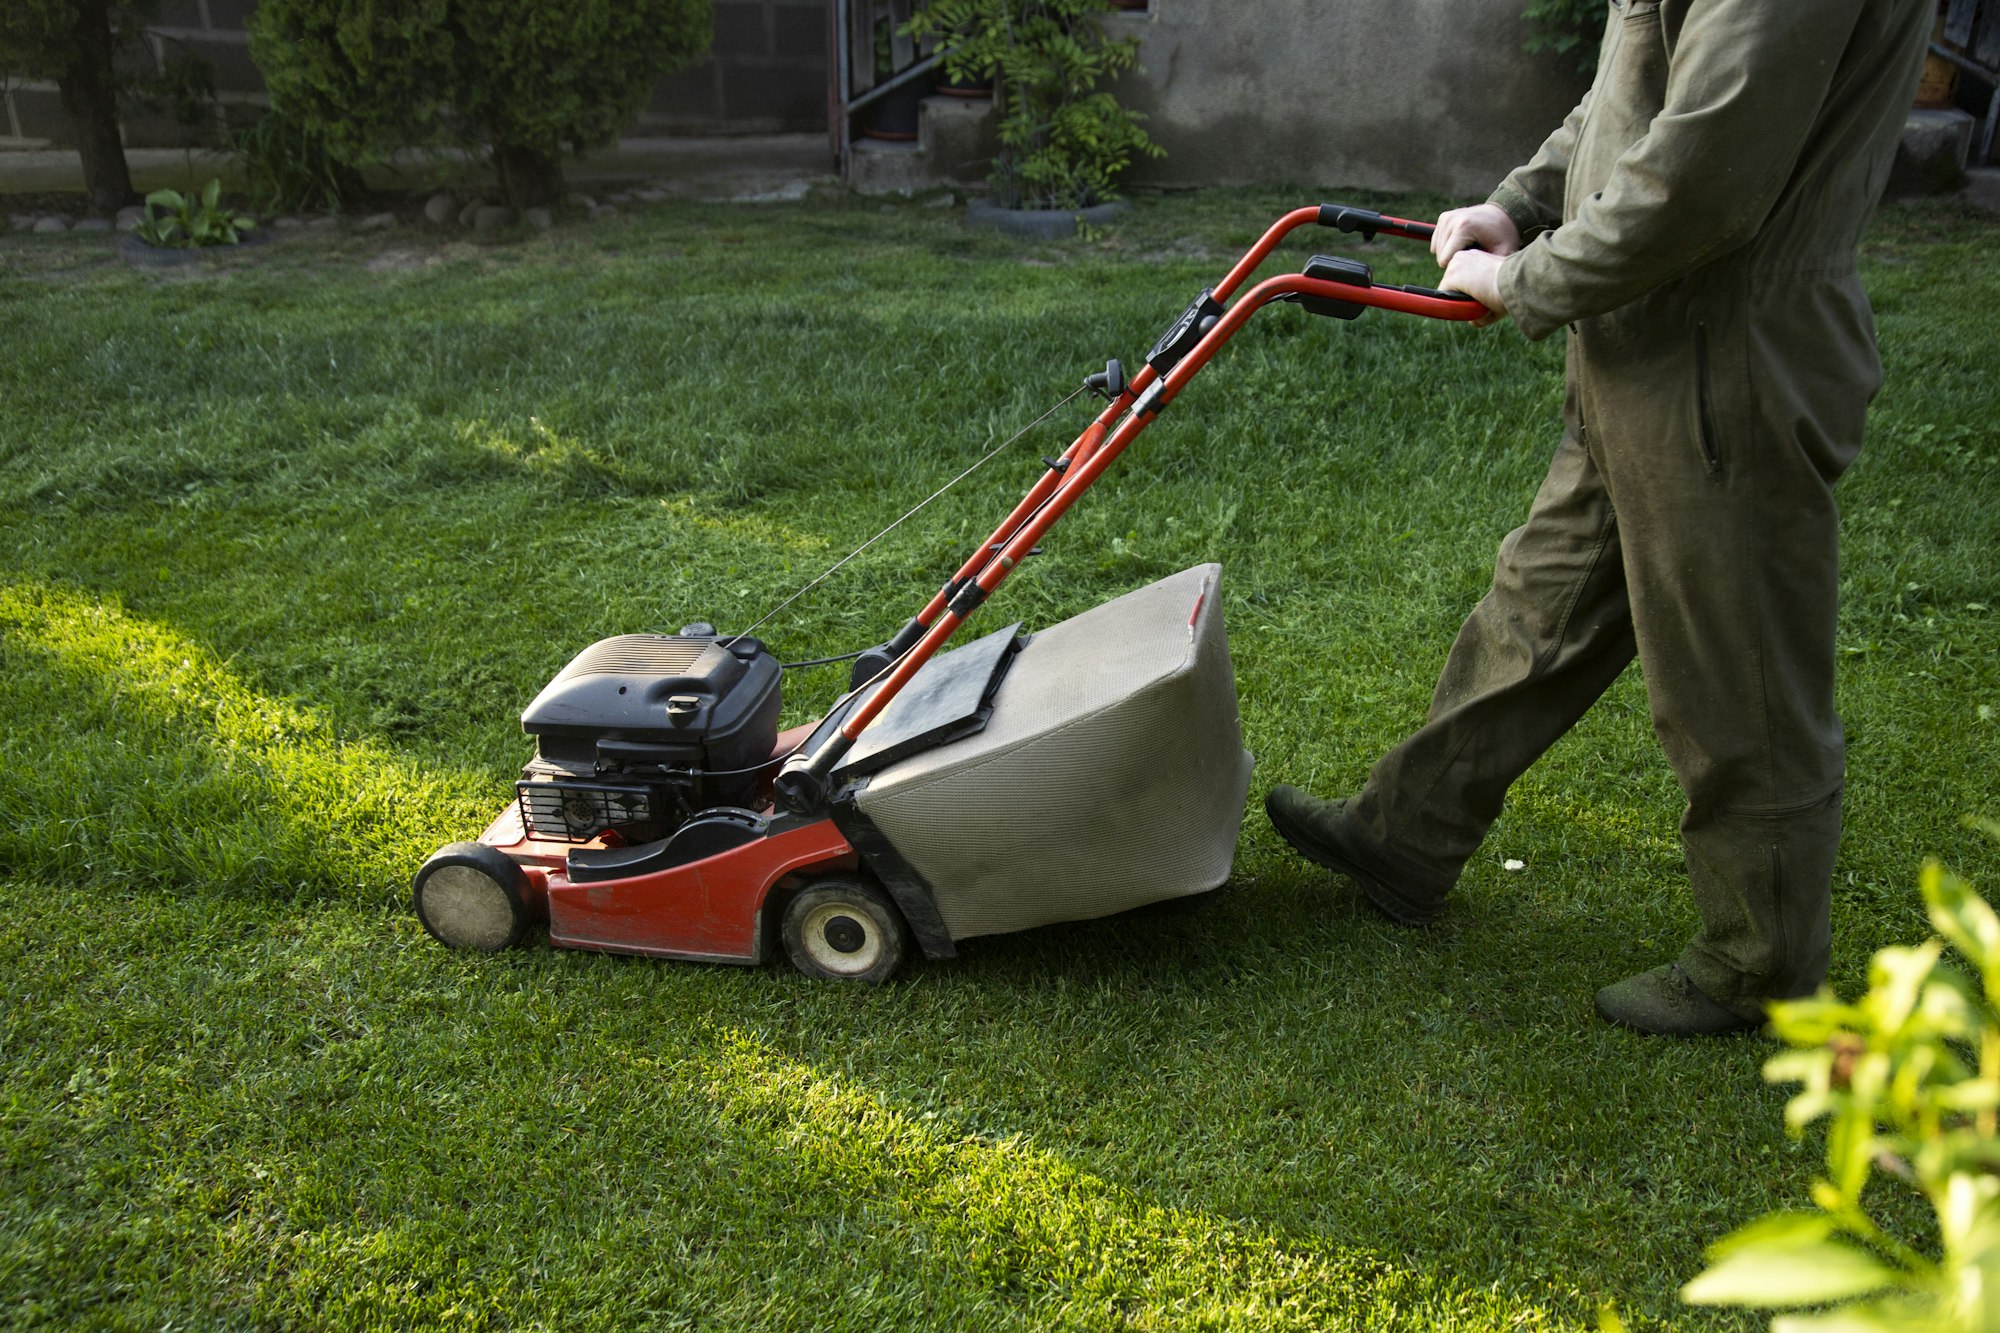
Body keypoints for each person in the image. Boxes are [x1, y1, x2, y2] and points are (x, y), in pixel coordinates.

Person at [1266, 0, 1934, 1036]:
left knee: (1735, 681)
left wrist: (1520, 279)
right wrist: (1519, 204)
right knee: (1536, 607)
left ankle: (1757, 966)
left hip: (1723, 358)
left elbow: (1699, 178)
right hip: (1642, 341)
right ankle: (1405, 833)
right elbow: (1630, 89)